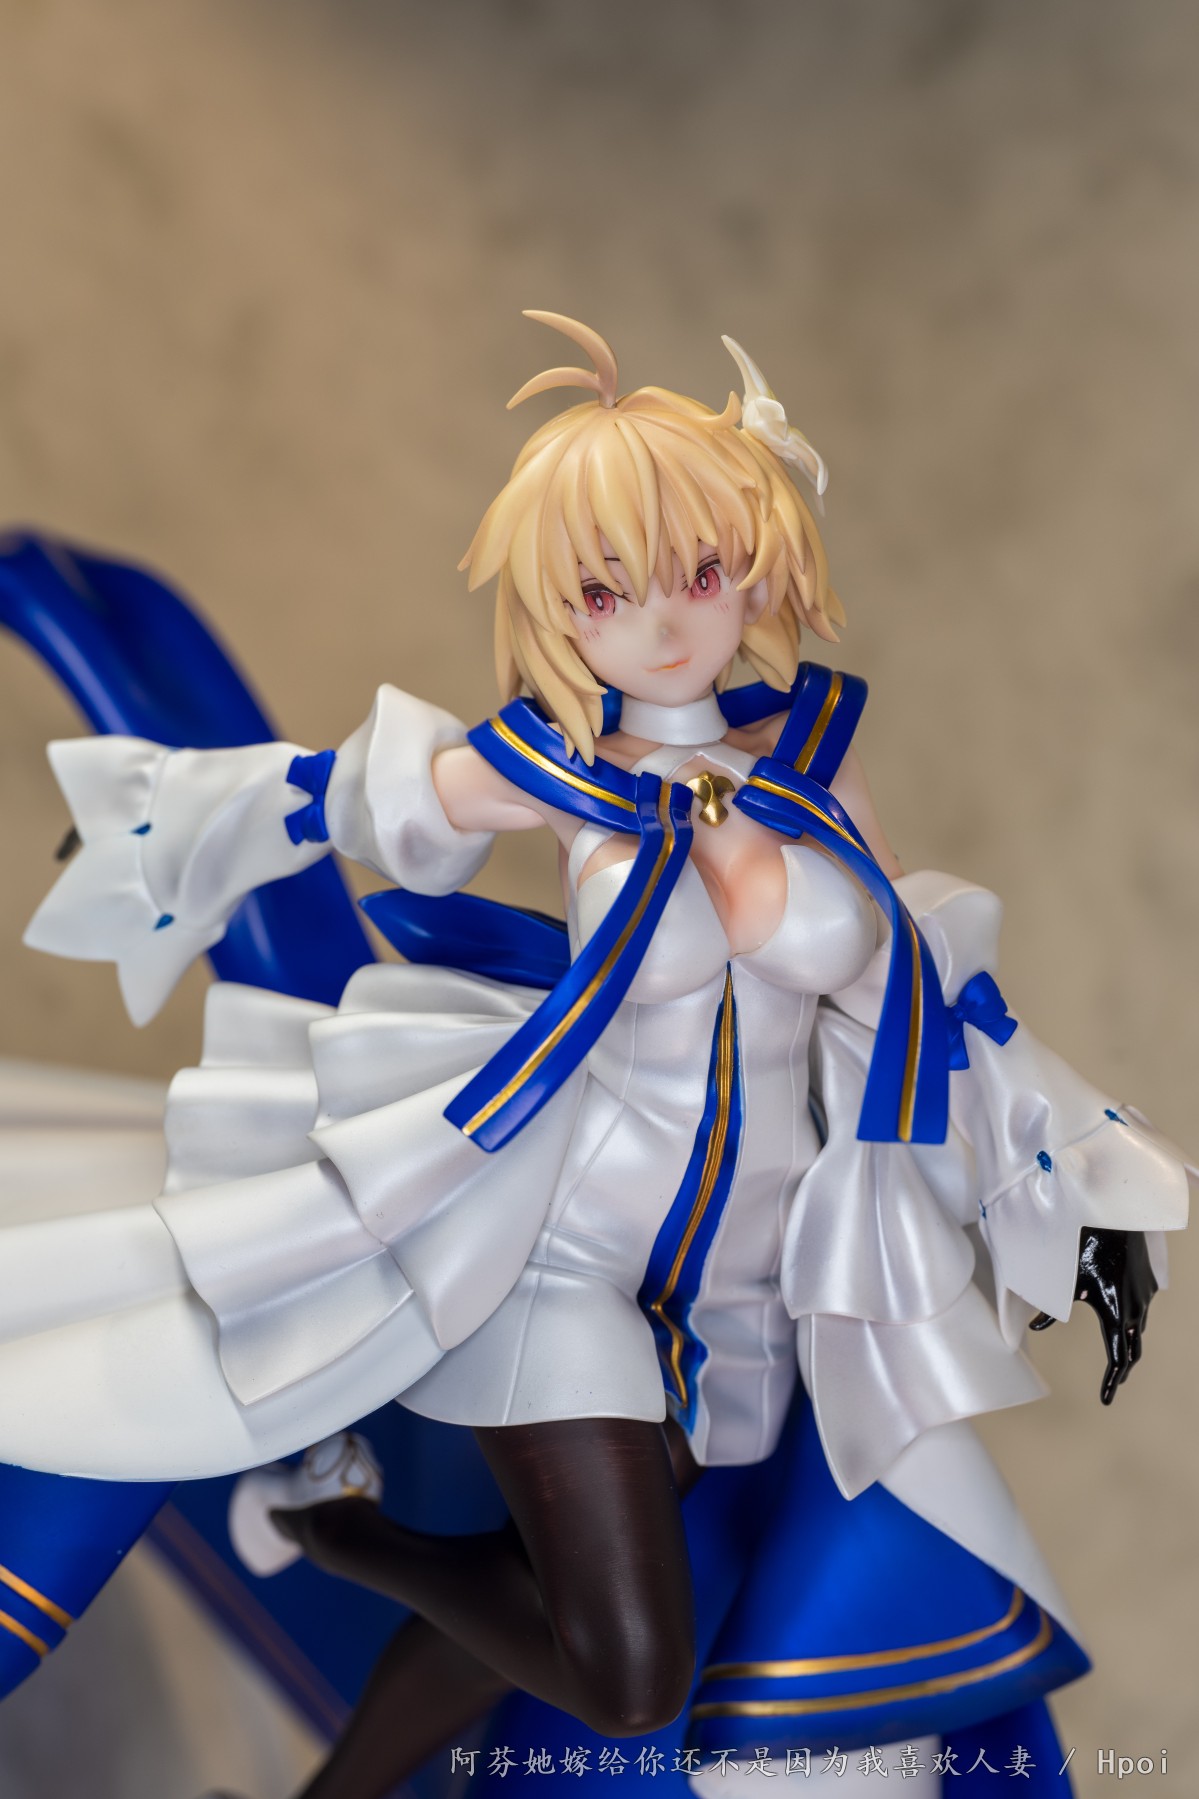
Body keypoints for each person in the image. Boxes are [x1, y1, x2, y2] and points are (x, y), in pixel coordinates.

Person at [1, 314, 1187, 1798]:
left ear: (755, 561)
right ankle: (335, 1534)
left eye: (698, 572)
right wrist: (169, 840)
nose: (664, 623)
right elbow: (345, 797)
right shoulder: (565, 771)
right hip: (562, 1253)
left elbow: (930, 989)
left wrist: (1081, 1185)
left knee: (552, 1604)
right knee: (629, 1677)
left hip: (735, 1288)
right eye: (608, 591)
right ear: (562, 609)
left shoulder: (815, 767)